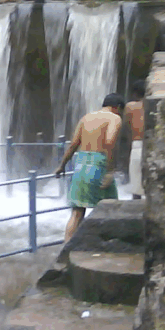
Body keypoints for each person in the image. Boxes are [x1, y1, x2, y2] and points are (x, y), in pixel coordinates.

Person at [55, 93, 125, 242]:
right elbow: (109, 141)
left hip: (80, 163)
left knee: (77, 212)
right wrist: (109, 170)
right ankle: (107, 244)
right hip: (99, 163)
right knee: (111, 208)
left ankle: (66, 249)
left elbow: (74, 144)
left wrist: (61, 165)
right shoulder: (115, 118)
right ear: (118, 107)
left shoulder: (86, 118)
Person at [123, 80, 146, 199]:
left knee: (136, 186)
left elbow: (127, 127)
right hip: (155, 145)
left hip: (137, 144)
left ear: (135, 94)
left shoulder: (130, 106)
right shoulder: (153, 105)